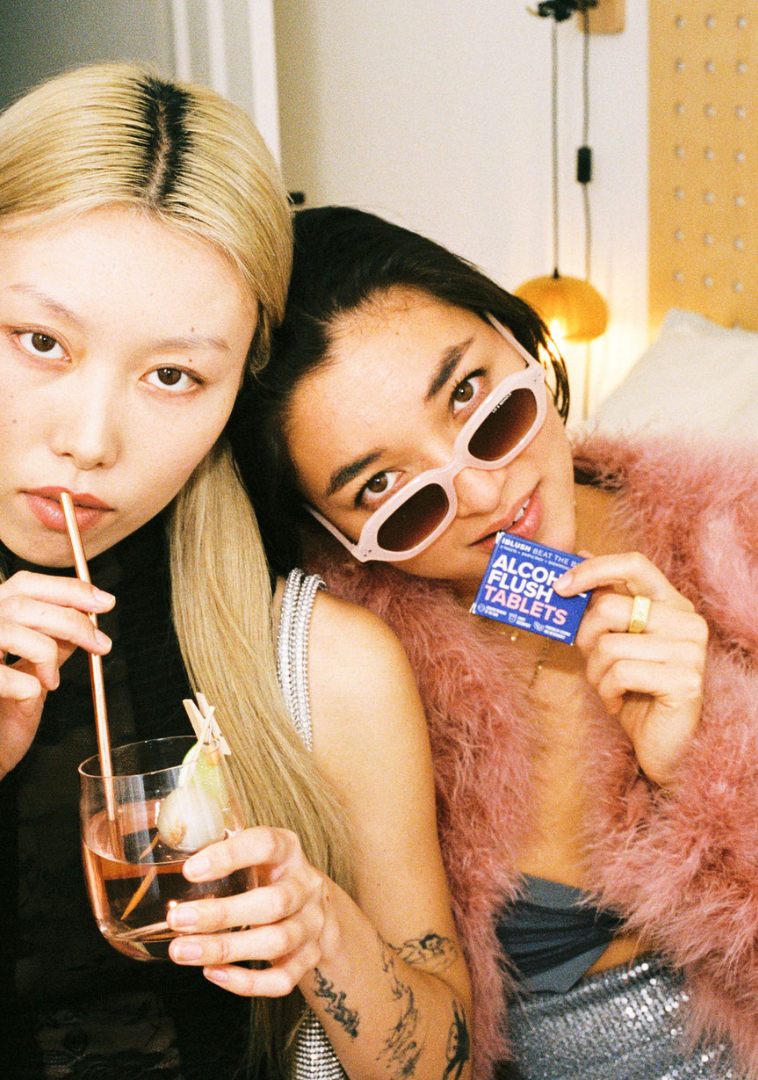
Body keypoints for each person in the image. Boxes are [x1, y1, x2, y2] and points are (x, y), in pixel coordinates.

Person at [0, 71, 472, 1080]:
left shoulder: (331, 667)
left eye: (173, 376)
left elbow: (449, 1063)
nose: (91, 439)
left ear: (237, 381)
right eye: (43, 343)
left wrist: (324, 929)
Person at [230, 205, 758, 1080]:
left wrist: (702, 767)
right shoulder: (353, 670)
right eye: (385, 487)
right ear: (333, 532)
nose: (480, 493)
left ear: (518, 338)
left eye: (472, 397)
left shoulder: (737, 541)